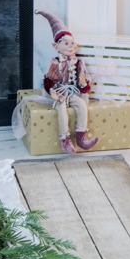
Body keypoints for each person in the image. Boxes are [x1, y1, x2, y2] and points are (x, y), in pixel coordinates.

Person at [36, 10, 99, 155]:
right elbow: (48, 81)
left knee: (82, 105)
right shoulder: (55, 63)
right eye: (66, 43)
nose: (70, 46)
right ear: (56, 46)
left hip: (72, 92)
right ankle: (64, 139)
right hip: (59, 92)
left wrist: (83, 84)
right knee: (61, 108)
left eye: (72, 43)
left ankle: (81, 137)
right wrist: (52, 91)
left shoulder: (78, 63)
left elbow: (84, 88)